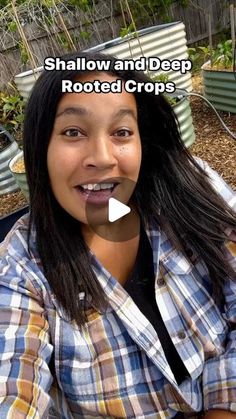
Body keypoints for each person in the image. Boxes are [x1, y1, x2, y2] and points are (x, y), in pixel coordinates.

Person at [0, 50, 235, 419]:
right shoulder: (20, 269)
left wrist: (224, 405)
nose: (103, 157)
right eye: (73, 132)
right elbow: (12, 385)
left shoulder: (192, 189)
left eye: (122, 131)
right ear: (40, 146)